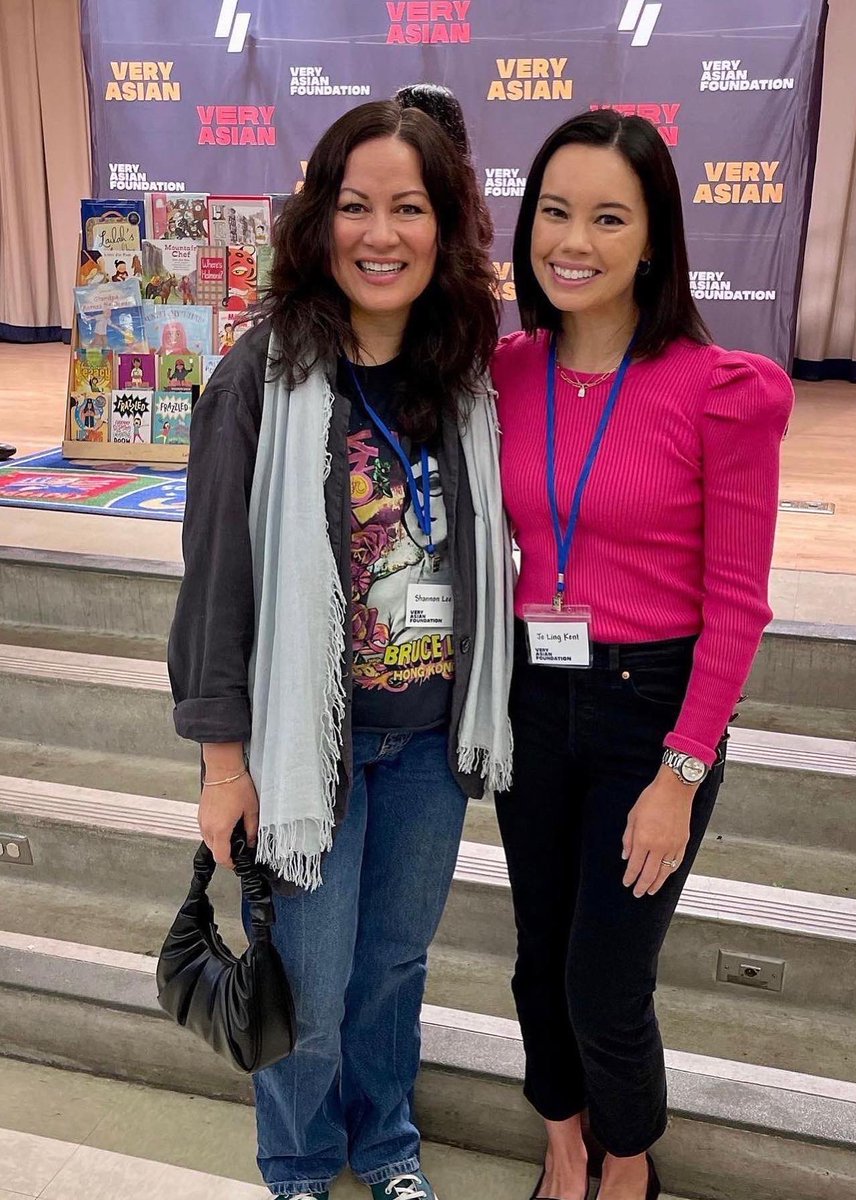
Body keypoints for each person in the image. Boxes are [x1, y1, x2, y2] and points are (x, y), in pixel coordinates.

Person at [167, 93, 514, 1200]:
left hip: (424, 741)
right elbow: (216, 586)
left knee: (392, 972)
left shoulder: (462, 373)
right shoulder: (258, 378)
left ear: (443, 224)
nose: (380, 233)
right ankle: (302, 1162)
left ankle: (387, 1145)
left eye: (407, 207)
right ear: (317, 222)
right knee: (308, 985)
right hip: (301, 755)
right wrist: (224, 767)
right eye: (354, 205)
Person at [491, 109, 794, 1200]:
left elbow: (737, 604)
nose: (574, 240)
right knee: (536, 959)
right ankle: (561, 1139)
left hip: (650, 710)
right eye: (555, 213)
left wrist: (682, 769)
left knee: (605, 977)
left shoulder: (722, 389)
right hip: (530, 699)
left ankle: (628, 1152)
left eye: (607, 217)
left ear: (653, 237)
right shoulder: (503, 373)